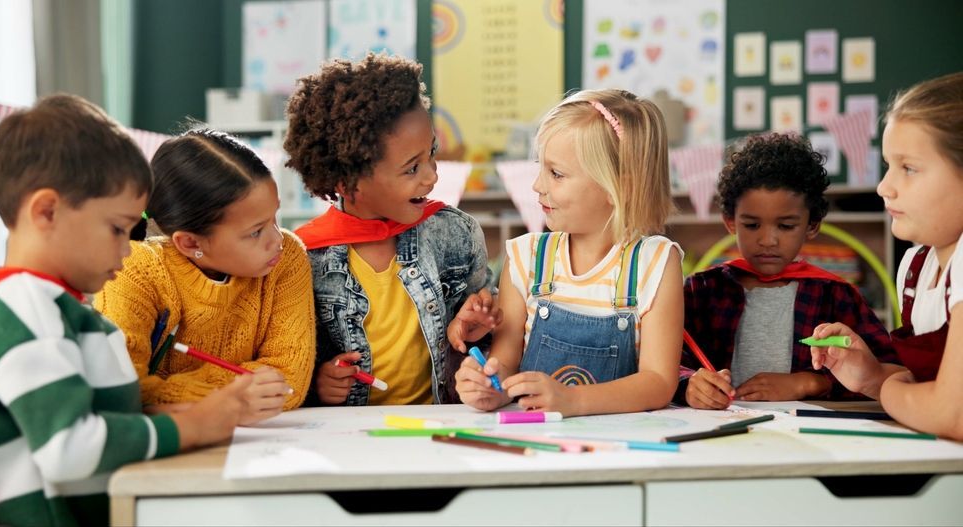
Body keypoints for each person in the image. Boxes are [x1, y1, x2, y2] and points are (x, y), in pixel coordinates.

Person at [0, 94, 250, 526]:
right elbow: (67, 447)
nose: (127, 250)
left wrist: (165, 415)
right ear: (46, 211)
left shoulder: (57, 307)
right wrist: (191, 429)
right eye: (117, 229)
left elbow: (88, 416)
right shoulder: (25, 304)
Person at [284, 53, 499, 406]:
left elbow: (484, 342)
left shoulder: (456, 234)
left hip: (439, 424)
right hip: (351, 437)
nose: (432, 176)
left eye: (431, 153)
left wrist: (477, 325)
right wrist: (317, 385)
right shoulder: (304, 258)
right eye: (412, 168)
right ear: (348, 180)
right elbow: (289, 363)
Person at [455, 89, 684, 416]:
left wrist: (573, 401)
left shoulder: (656, 263)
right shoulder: (526, 257)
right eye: (540, 168)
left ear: (619, 186)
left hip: (618, 447)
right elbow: (506, 362)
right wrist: (489, 387)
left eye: (556, 174)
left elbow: (659, 382)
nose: (537, 185)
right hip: (535, 441)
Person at [95, 129, 315, 423]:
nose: (276, 239)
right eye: (255, 232)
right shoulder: (135, 271)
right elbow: (124, 391)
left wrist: (172, 391)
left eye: (274, 217)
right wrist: (235, 396)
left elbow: (289, 381)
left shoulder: (286, 256)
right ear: (191, 244)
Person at [679, 133, 897, 409]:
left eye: (785, 226)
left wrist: (809, 383)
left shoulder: (836, 295)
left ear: (812, 226)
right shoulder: (701, 291)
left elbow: (888, 373)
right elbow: (658, 363)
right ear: (730, 222)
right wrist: (689, 384)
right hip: (719, 436)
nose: (768, 240)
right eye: (751, 225)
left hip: (807, 439)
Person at [811, 72, 963, 440]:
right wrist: (874, 376)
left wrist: (889, 390)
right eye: (888, 165)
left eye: (908, 168)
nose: (884, 186)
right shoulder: (916, 265)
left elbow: (951, 414)